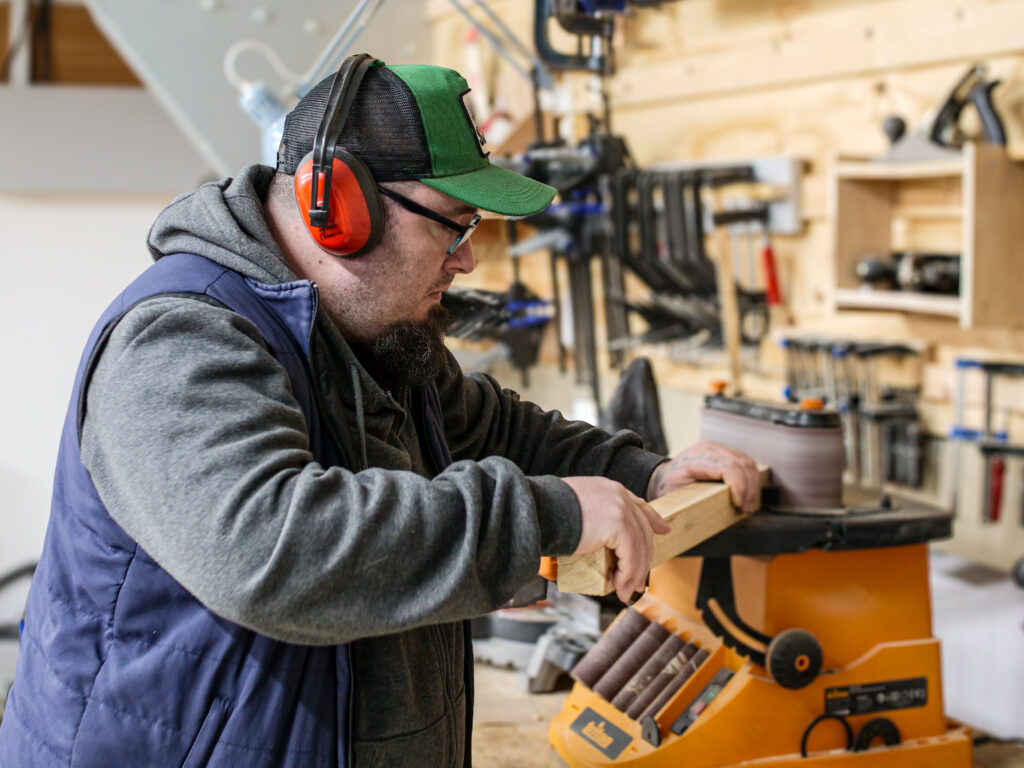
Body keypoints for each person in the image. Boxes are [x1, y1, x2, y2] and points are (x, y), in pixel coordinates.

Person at [0, 55, 759, 767]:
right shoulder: (181, 338)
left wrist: (645, 473)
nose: (467, 258)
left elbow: (493, 429)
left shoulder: (369, 334)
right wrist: (548, 513)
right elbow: (273, 552)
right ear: (337, 208)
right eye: (452, 223)